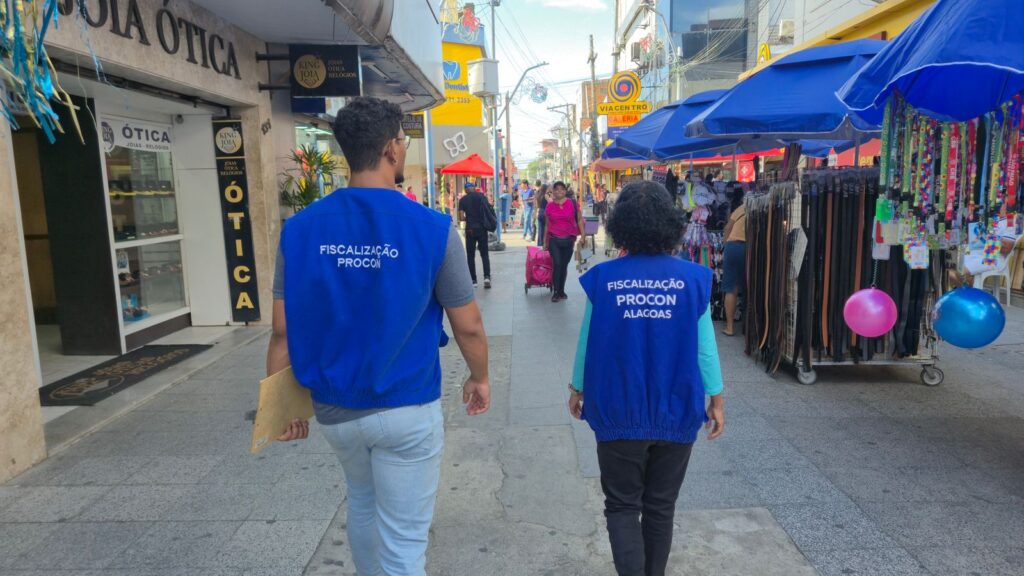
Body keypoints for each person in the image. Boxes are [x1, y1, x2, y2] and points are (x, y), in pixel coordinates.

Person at [267, 96, 491, 576]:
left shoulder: (300, 230)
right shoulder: (433, 229)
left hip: (335, 409)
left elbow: (282, 331)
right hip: (406, 406)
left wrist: (280, 408)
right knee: (404, 542)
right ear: (392, 148)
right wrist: (480, 377)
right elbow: (468, 324)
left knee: (363, 501)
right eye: (404, 141)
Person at [567, 181, 724, 576]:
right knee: (660, 506)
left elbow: (587, 340)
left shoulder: (604, 279)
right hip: (677, 407)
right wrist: (717, 400)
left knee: (622, 505)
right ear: (670, 223)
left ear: (621, 224)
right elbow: (706, 349)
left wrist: (577, 387)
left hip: (618, 408)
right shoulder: (693, 279)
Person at [544, 181, 585, 302]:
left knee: (563, 265)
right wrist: (545, 241)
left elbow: (579, 220)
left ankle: (561, 290)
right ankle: (556, 292)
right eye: (556, 189)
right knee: (557, 264)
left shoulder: (572, 203)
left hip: (569, 239)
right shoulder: (549, 206)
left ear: (565, 191)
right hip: (554, 239)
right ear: (553, 191)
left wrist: (583, 235)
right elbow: (546, 225)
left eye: (562, 189)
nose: (559, 192)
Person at [721, 188, 746, 336]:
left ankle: (730, 327)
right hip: (753, 248)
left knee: (731, 288)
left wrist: (726, 245)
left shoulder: (741, 209)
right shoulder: (767, 209)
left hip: (734, 246)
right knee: (751, 287)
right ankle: (749, 327)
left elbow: (727, 228)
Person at [459, 181, 493, 289]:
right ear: (474, 188)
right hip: (482, 229)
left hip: (470, 230)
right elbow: (488, 210)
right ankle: (487, 277)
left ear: (466, 190)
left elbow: (461, 218)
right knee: (484, 254)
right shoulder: (482, 197)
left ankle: (473, 280)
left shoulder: (463, 200)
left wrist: (468, 218)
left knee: (470, 255)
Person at [535, 182, 549, 247]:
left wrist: (536, 212)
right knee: (546, 228)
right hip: (545, 212)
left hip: (540, 211)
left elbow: (536, 206)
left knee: (540, 229)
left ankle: (540, 243)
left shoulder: (538, 196)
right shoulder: (546, 196)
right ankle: (544, 243)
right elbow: (549, 203)